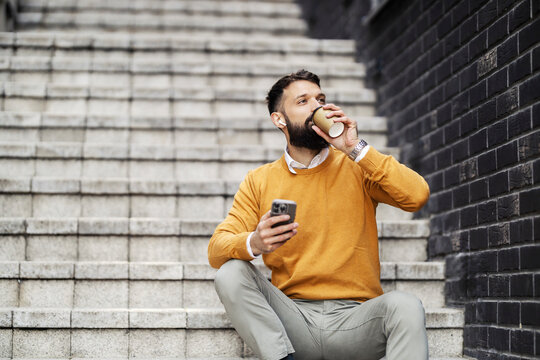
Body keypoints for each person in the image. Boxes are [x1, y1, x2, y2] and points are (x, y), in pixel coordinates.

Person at [208, 70, 431, 360]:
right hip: (294, 321)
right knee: (231, 273)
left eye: (320, 99)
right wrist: (255, 242)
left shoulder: (357, 166)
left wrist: (355, 148)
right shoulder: (259, 180)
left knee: (406, 306)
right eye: (303, 101)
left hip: (356, 320)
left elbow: (417, 196)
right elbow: (216, 249)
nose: (316, 107)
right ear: (279, 119)